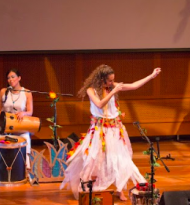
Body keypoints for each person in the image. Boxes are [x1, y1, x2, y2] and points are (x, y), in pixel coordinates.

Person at [61, 65, 162, 201]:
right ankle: (86, 190)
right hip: (100, 131)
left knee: (120, 159)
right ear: (101, 79)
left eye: (112, 80)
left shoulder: (111, 86)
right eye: (109, 81)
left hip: (115, 130)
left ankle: (119, 189)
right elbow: (100, 104)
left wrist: (151, 76)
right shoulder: (91, 90)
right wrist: (114, 91)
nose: (111, 83)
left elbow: (133, 86)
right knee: (96, 160)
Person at [0, 68, 34, 168]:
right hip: (5, 125)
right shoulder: (3, 92)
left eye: (13, 77)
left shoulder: (27, 92)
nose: (10, 80)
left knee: (26, 138)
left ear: (19, 78)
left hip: (20, 124)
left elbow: (30, 112)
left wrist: (24, 113)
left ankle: (25, 168)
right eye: (8, 78)